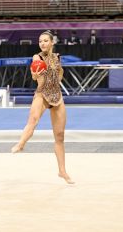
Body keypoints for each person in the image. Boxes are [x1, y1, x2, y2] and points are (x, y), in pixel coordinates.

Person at [11, 31, 74, 185]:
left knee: (59, 137)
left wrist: (59, 74)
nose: (43, 43)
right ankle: (21, 144)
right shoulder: (37, 57)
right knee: (33, 120)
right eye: (40, 41)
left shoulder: (57, 57)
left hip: (57, 96)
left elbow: (60, 74)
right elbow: (34, 74)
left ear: (52, 42)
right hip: (42, 94)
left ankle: (62, 171)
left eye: (46, 41)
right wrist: (35, 73)